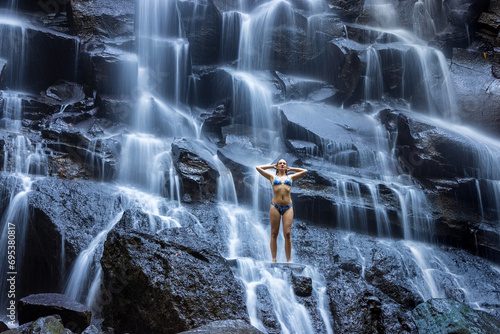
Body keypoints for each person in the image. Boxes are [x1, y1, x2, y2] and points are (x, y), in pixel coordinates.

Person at [256, 159, 307, 263]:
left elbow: (304, 171)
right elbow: (258, 168)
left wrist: (291, 169)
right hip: (275, 206)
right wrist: (271, 167)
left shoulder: (291, 177)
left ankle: (288, 260)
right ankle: (274, 259)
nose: (282, 165)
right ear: (277, 166)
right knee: (274, 233)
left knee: (287, 234)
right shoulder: (272, 177)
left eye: (284, 163)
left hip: (288, 207)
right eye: (280, 163)